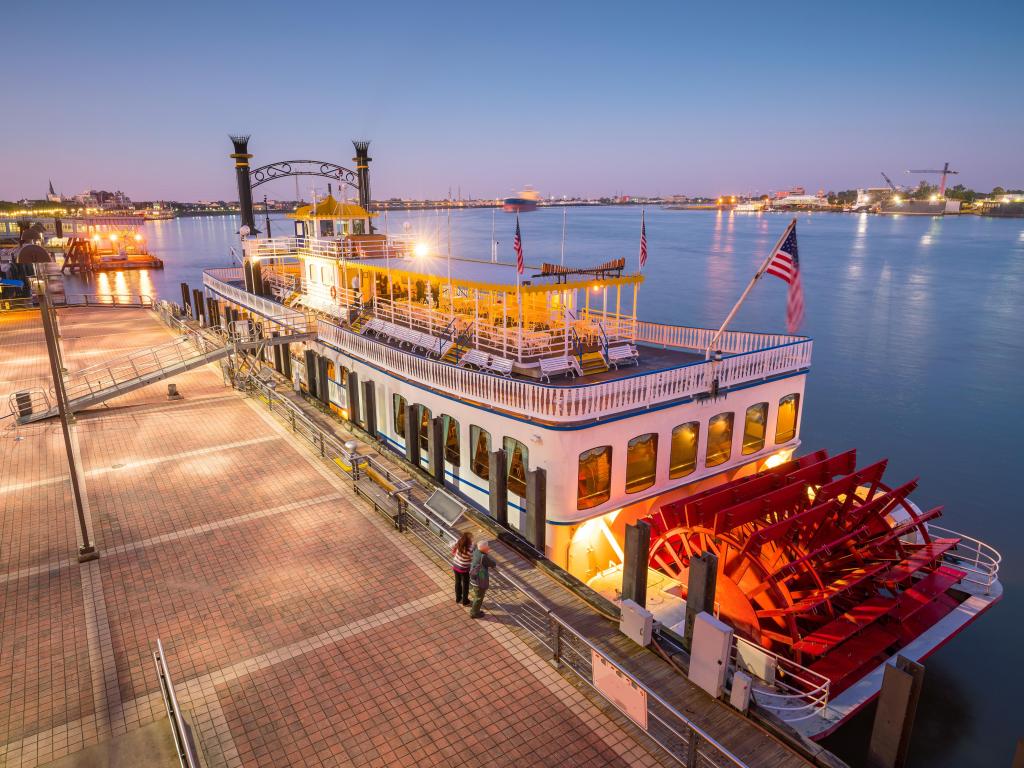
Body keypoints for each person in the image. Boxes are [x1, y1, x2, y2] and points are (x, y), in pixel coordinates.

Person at [468, 540, 496, 618]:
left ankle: (475, 611)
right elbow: (492, 563)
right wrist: (487, 553)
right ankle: (474, 613)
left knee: (477, 595)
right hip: (478, 580)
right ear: (485, 548)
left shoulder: (476, 551)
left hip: (473, 577)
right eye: (487, 546)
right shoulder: (483, 556)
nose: (489, 547)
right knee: (479, 597)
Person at [451, 532, 473, 606]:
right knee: (465, 585)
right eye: (471, 538)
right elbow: (473, 558)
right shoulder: (470, 549)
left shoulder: (459, 542)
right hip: (463, 569)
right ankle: (465, 601)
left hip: (455, 566)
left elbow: (453, 548)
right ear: (468, 540)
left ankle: (458, 598)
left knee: (457, 582)